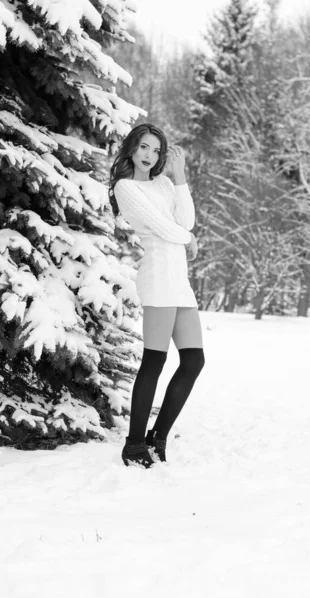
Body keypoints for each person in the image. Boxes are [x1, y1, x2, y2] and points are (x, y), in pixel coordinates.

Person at [109, 123, 205, 468]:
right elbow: (166, 230)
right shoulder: (126, 187)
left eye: (156, 150)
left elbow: (187, 220)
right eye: (144, 148)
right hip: (159, 277)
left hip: (179, 279)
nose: (150, 155)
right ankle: (134, 444)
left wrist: (179, 176)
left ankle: (158, 437)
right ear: (132, 149)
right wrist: (188, 239)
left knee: (194, 361)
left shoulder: (164, 183)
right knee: (155, 360)